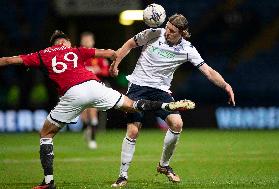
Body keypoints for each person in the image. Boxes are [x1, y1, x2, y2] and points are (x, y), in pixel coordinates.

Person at [0, 30, 195, 189]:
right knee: (131, 105)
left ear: (53, 44)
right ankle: (164, 106)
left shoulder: (42, 55)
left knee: (46, 134)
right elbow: (110, 53)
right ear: (65, 43)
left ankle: (48, 182)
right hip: (95, 87)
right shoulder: (76, 51)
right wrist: (114, 66)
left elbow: (9, 61)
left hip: (72, 94)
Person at [109, 14, 235, 187]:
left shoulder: (188, 49)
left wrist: (226, 85)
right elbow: (130, 43)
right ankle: (123, 175)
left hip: (161, 90)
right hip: (138, 86)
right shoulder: (153, 33)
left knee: (177, 124)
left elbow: (209, 71)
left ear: (182, 33)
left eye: (171, 30)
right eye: (167, 27)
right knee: (133, 131)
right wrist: (116, 63)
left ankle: (164, 165)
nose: (166, 32)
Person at [80, 31, 110, 149]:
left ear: (93, 41)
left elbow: (106, 71)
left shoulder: (98, 54)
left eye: (89, 40)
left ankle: (92, 138)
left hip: (95, 86)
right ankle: (88, 129)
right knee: (84, 116)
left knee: (92, 111)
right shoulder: (76, 55)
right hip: (81, 87)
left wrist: (97, 70)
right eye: (85, 40)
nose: (87, 42)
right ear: (82, 41)